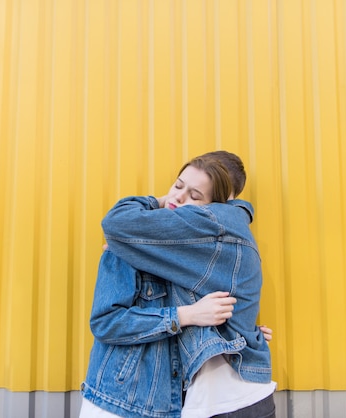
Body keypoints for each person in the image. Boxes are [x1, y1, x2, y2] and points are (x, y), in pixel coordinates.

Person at [81, 152, 275, 417]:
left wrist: (238, 331)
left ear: (215, 209)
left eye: (195, 196)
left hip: (204, 399)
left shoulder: (217, 240)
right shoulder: (128, 242)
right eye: (177, 185)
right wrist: (187, 316)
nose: (179, 197)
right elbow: (107, 321)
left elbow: (225, 307)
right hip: (119, 398)